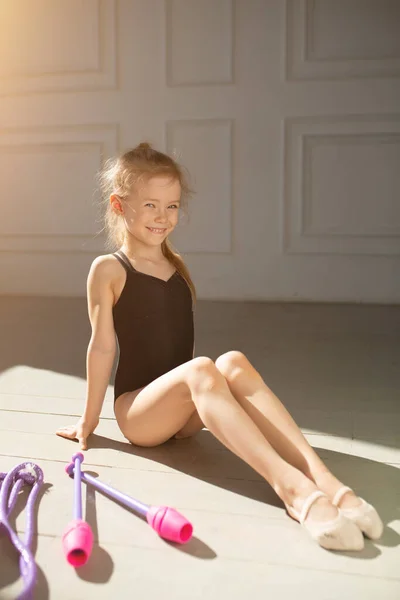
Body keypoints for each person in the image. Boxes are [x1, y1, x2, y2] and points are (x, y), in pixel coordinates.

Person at [56, 143, 383, 551]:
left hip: (185, 411)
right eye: (151, 205)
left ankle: (325, 480)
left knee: (232, 362)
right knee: (202, 368)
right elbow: (102, 348)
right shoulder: (109, 269)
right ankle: (292, 491)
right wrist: (89, 421)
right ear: (120, 206)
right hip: (139, 413)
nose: (163, 217)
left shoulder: (175, 266)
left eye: (172, 206)